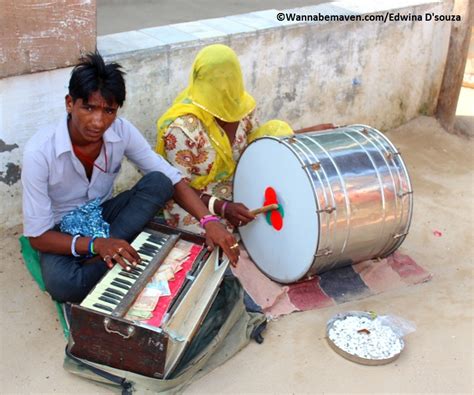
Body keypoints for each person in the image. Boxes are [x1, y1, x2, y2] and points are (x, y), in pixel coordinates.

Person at [21, 52, 239, 304]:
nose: (98, 121)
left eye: (108, 110)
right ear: (70, 103)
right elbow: (37, 237)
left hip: (104, 215)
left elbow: (170, 178)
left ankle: (110, 254)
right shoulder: (39, 153)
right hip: (62, 231)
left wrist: (210, 221)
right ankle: (113, 251)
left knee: (158, 182)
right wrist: (96, 245)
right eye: (88, 108)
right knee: (63, 286)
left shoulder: (122, 131)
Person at [156, 44, 297, 234]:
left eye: (229, 79)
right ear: (199, 81)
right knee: (212, 243)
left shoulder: (242, 108)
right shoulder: (182, 128)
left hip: (236, 192)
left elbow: (256, 148)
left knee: (285, 217)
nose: (224, 87)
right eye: (215, 81)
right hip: (195, 203)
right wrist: (222, 208)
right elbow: (178, 188)